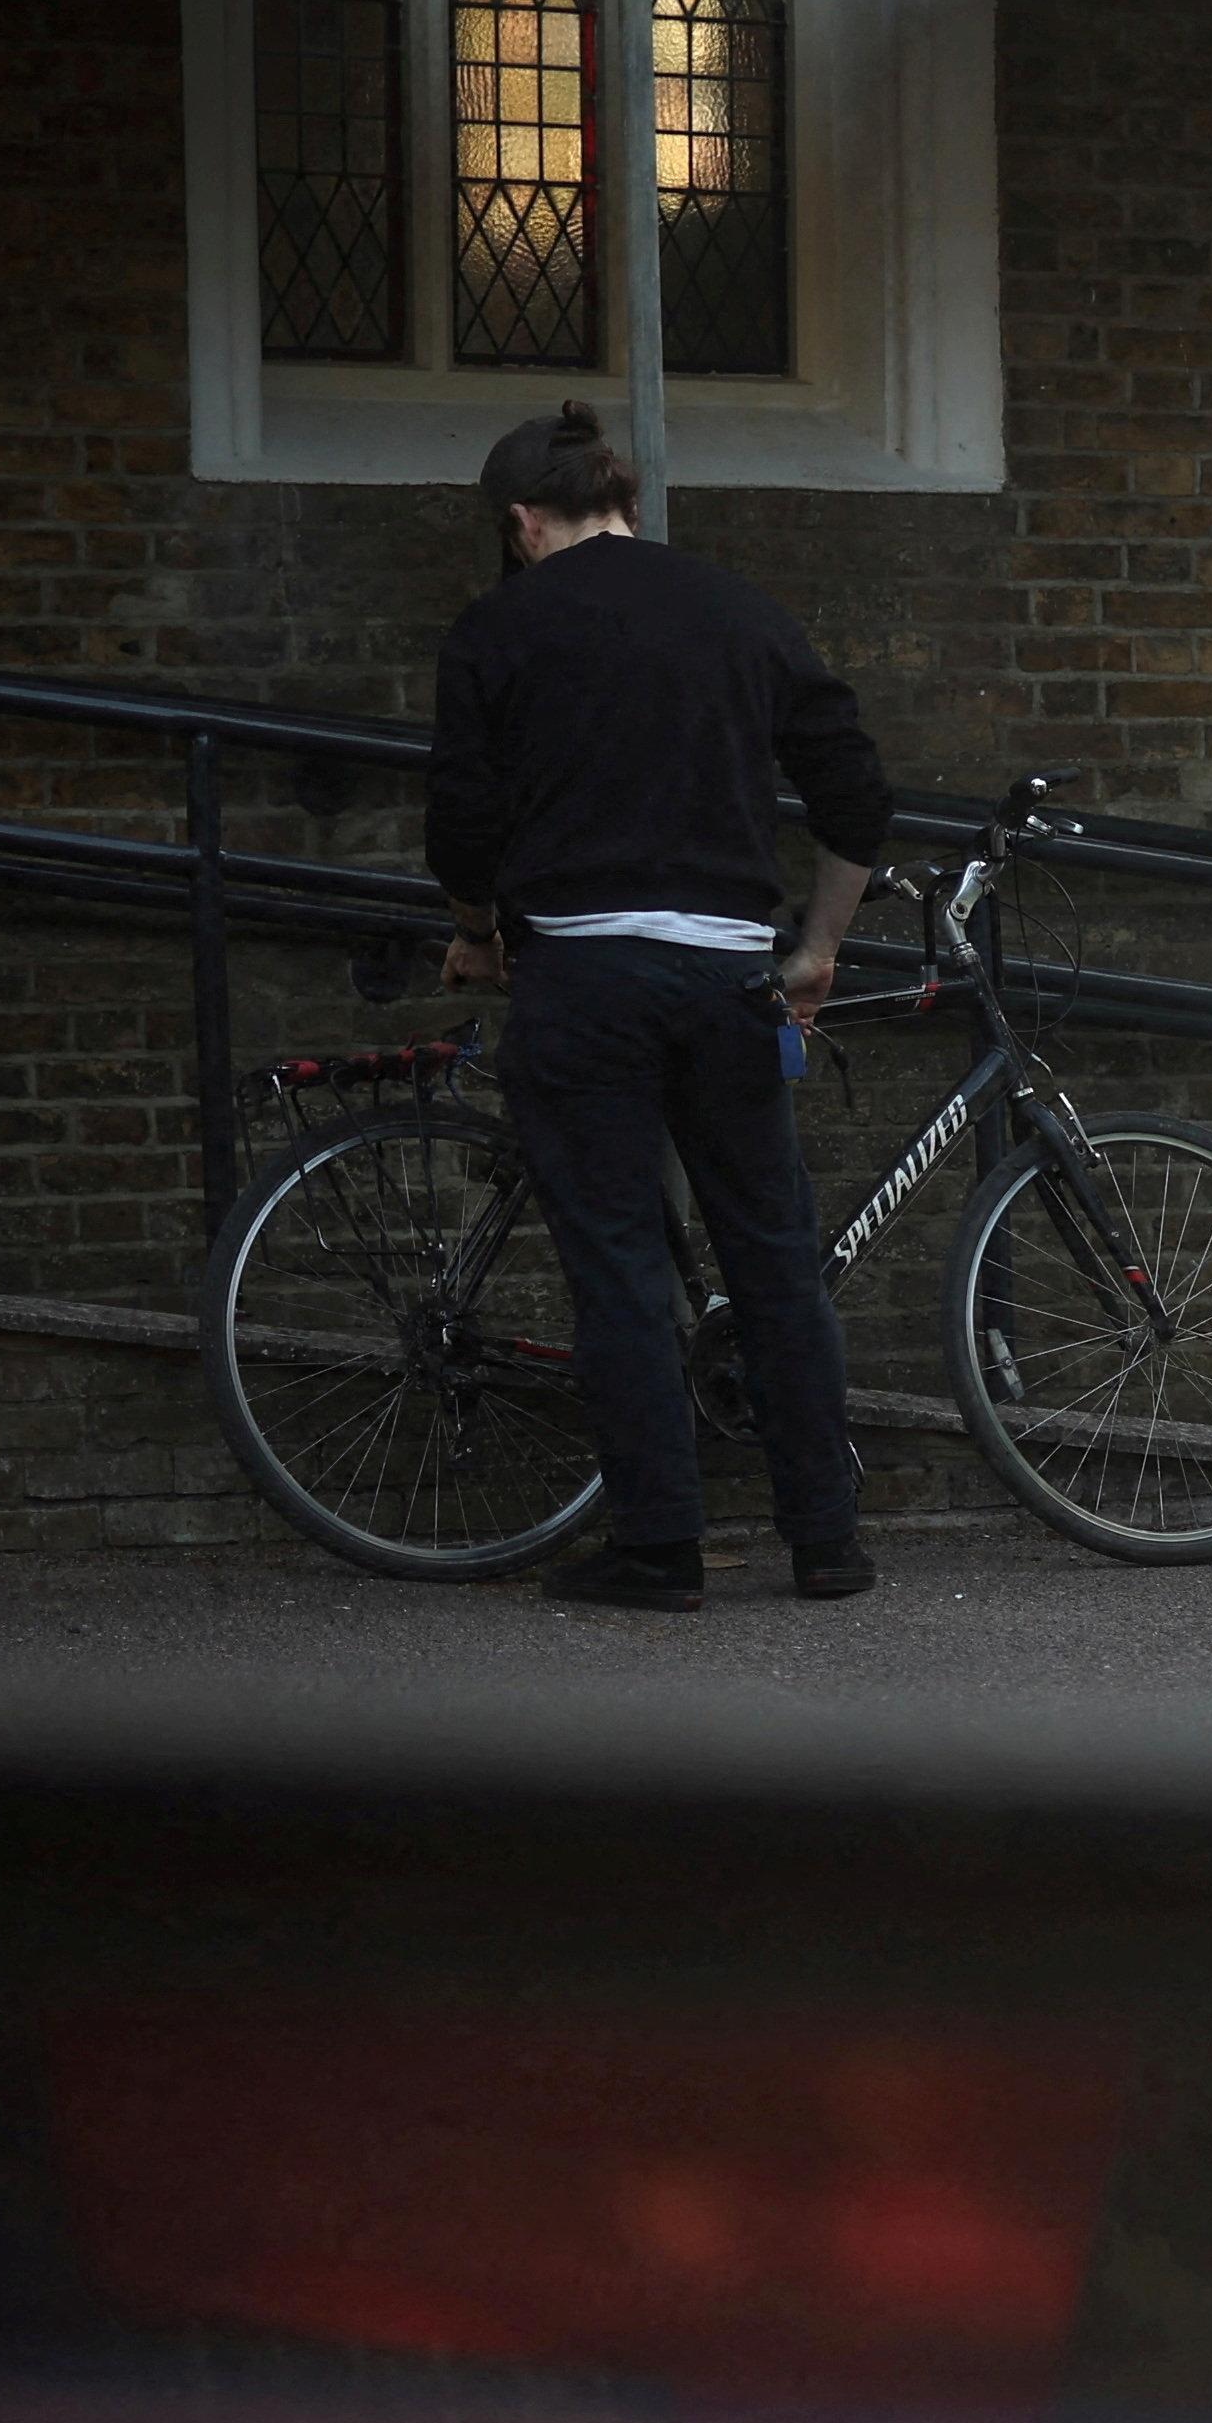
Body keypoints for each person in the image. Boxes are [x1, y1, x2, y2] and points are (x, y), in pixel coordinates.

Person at [426, 399, 893, 1612]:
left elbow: (462, 828)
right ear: (623, 504)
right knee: (775, 1258)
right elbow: (855, 794)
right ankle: (828, 1540)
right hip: (732, 973)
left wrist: (478, 940)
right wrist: (819, 949)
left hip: (582, 976)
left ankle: (660, 1549)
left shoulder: (498, 629)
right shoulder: (740, 611)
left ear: (523, 521)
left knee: (621, 1264)